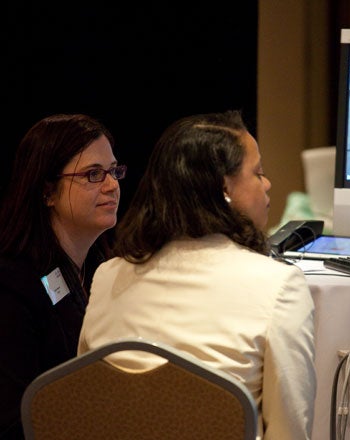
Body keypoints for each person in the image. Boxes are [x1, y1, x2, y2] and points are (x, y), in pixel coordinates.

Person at [77, 111, 316, 440]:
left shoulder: (107, 275)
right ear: (224, 188)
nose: (267, 183)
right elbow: (291, 430)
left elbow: (86, 404)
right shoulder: (280, 286)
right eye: (258, 172)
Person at [0, 114, 123, 439]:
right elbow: (15, 417)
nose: (112, 185)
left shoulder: (104, 269)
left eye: (113, 171)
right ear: (48, 192)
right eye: (93, 174)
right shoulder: (12, 284)